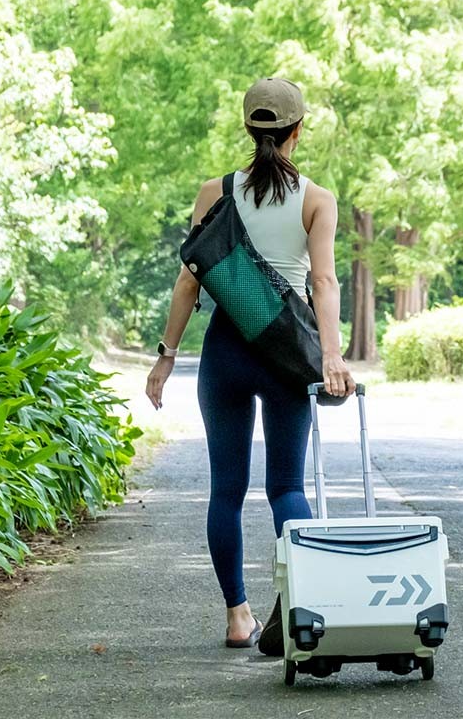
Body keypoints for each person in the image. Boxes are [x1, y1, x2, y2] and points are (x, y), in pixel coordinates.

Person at [144, 77, 355, 653]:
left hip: (226, 353)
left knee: (226, 491)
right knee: (286, 486)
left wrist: (166, 359)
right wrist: (331, 356)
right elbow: (323, 281)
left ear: (248, 128)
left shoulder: (215, 192)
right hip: (287, 355)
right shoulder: (317, 199)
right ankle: (302, 604)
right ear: (298, 130)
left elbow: (190, 280)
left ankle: (238, 615)